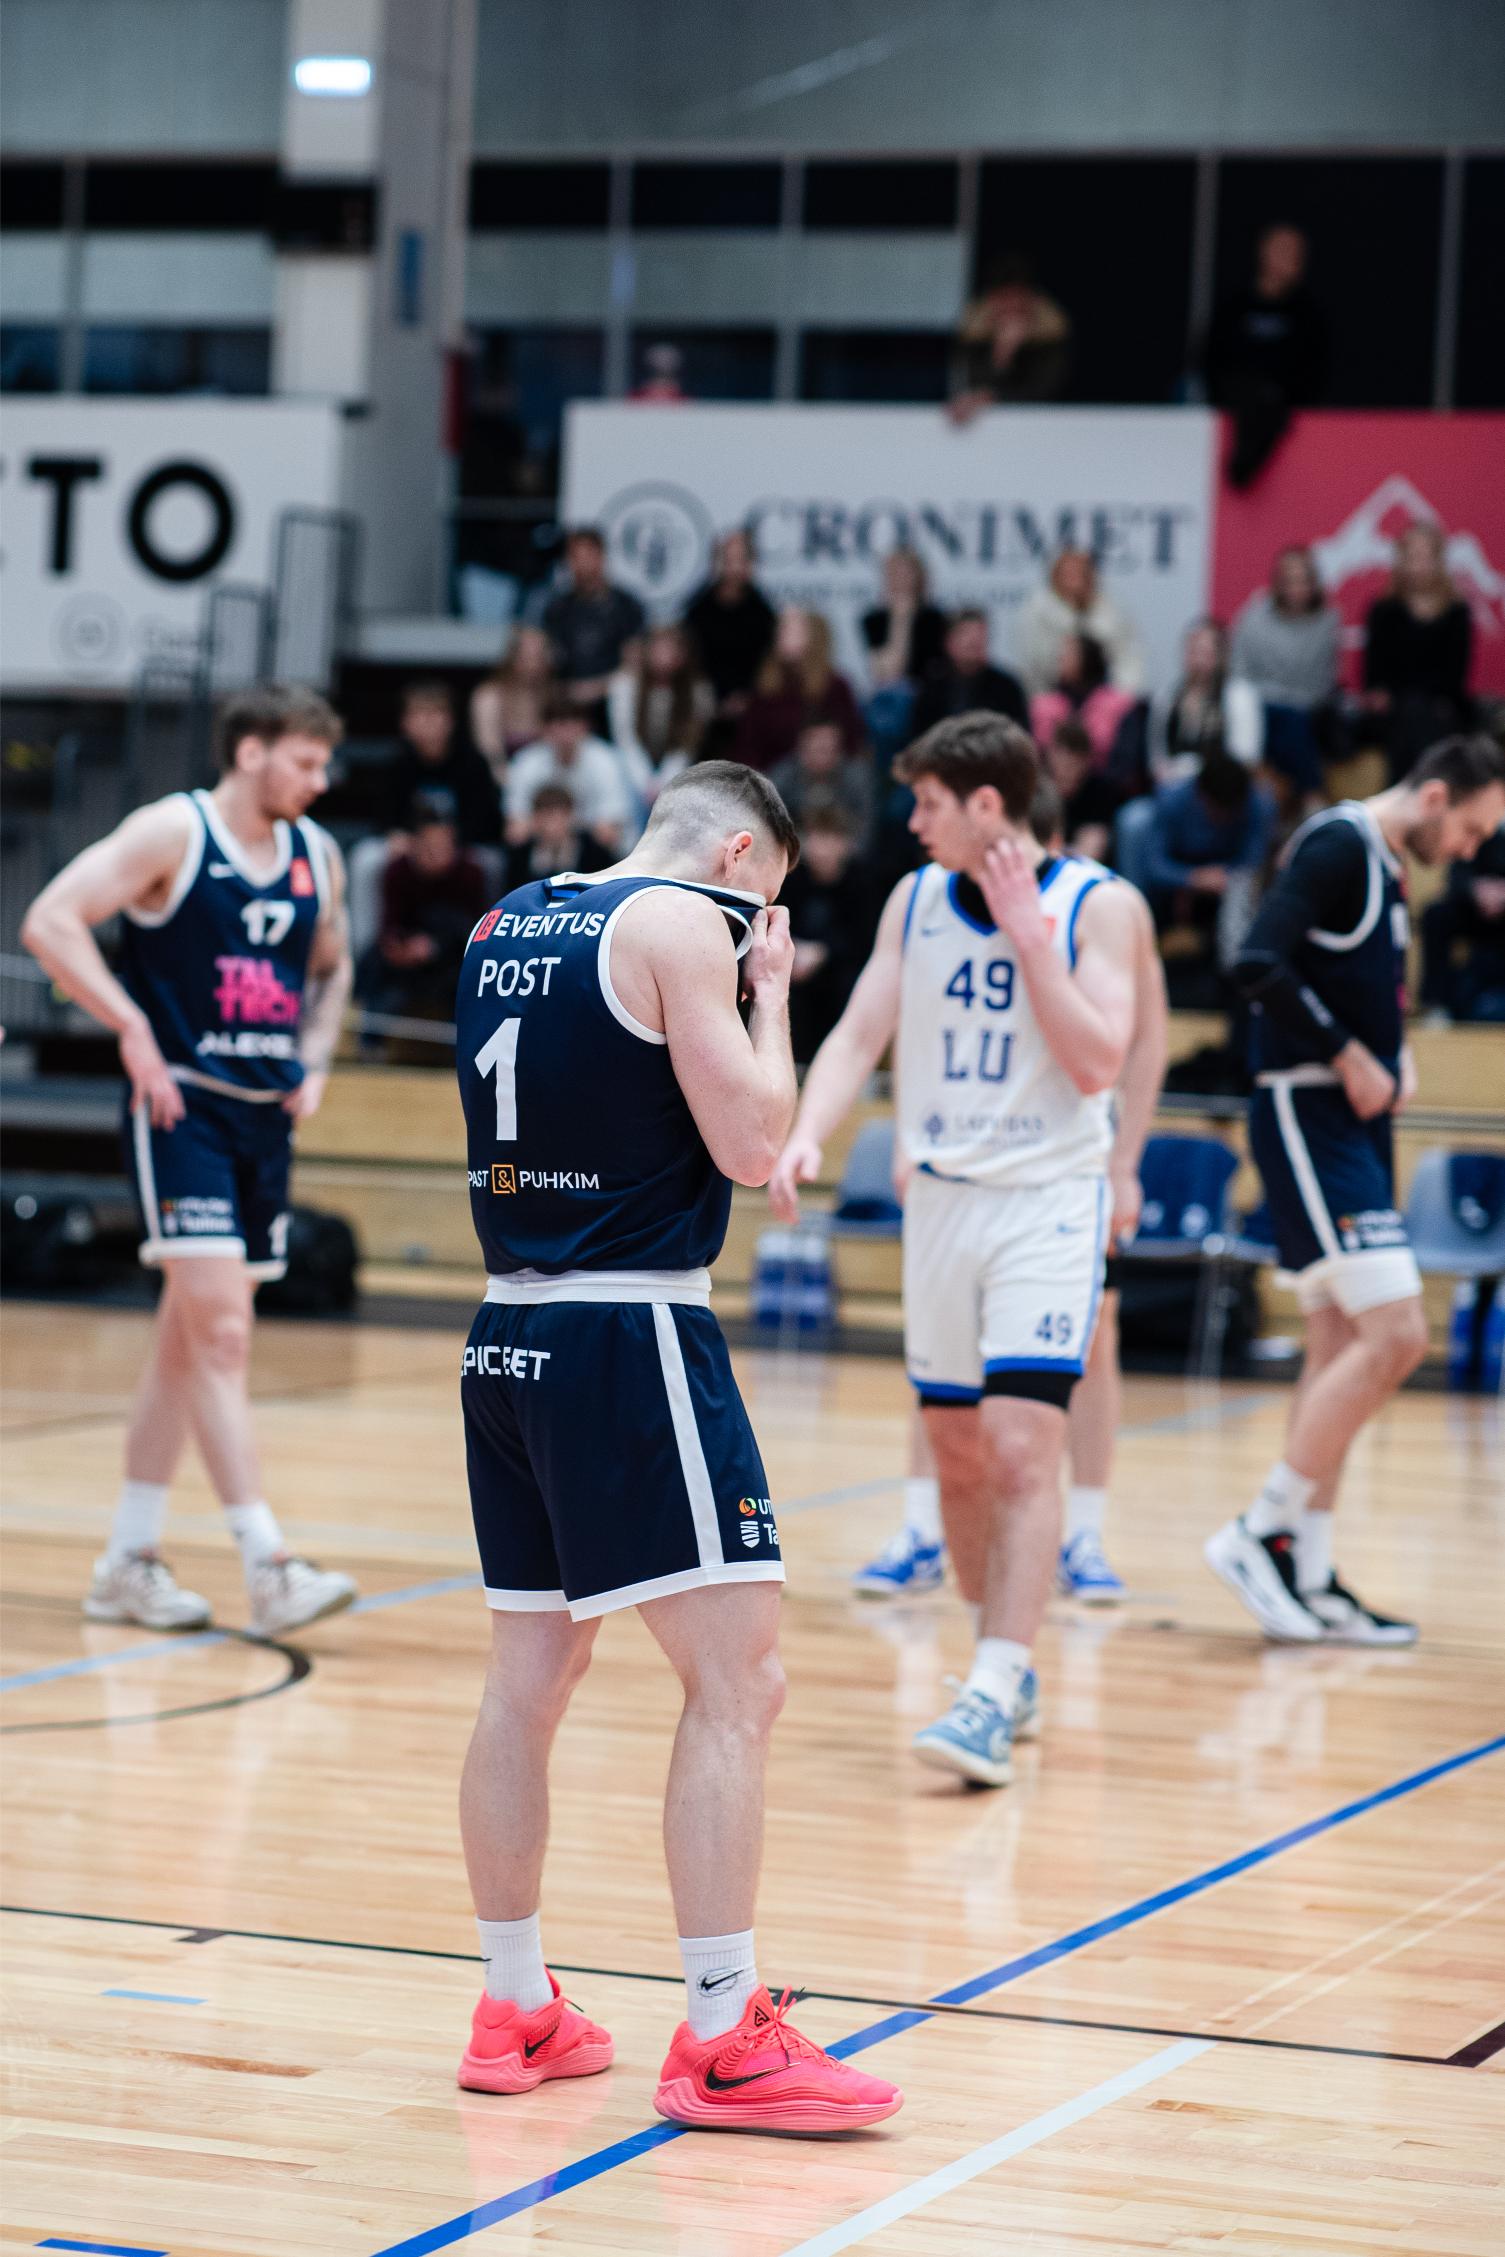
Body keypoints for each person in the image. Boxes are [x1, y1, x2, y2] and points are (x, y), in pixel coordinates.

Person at [450, 760, 903, 2132]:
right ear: (738, 854)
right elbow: (757, 1142)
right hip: (628, 1328)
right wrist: (770, 992)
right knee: (740, 1679)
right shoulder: (681, 925)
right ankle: (721, 2034)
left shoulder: (505, 919)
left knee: (527, 1678)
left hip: (505, 1332)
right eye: (766, 895)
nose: (761, 919)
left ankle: (513, 2003)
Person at [770, 714, 1138, 1788]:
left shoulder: (1097, 905)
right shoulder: (914, 899)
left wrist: (1031, 942)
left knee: (1022, 1447)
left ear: (986, 804)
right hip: (939, 1203)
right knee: (959, 1452)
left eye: (928, 802)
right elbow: (856, 1033)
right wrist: (805, 1130)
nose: (912, 821)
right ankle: (999, 1662)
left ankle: (991, 1679)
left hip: (1045, 1202)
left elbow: (1097, 1061)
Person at [20, 686, 360, 1636]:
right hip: (182, 1110)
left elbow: (333, 964)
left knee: (186, 1342)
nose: (320, 780)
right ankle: (269, 1562)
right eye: (304, 761)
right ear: (251, 752)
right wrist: (130, 1026)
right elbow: (51, 920)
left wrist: (317, 1056)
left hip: (263, 1122)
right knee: (222, 1336)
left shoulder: (316, 853)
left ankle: (126, 1562)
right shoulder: (175, 831)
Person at [1210, 734, 1505, 1643]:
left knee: (1337, 1344)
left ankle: (1309, 1568)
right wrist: (1347, 1054)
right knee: (1397, 1334)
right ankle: (1260, 1528)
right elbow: (1257, 961)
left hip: (1352, 1120)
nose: (1469, 849)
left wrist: (1392, 1051)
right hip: (1308, 1111)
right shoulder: (1337, 843)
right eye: (1470, 829)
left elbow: (1359, 984)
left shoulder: (1386, 862)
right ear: (1433, 797)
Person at [853, 780, 1168, 1607]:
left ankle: (1084, 1533)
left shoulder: (1099, 908)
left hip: (1066, 1166)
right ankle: (922, 1526)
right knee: (946, 1362)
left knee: (1093, 1335)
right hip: (967, 1163)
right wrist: (913, 1134)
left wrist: (1124, 1161)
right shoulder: (936, 905)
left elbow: (1143, 1045)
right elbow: (918, 1028)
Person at [1203, 223, 1327, 488]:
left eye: (1296, 252)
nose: (1290, 257)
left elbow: (1314, 368)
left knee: (1267, 400)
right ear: (1263, 252)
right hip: (1235, 394)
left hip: (1282, 400)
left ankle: (1246, 462)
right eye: (1282, 249)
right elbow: (1211, 357)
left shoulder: (1308, 313)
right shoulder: (1234, 306)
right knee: (1250, 392)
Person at [357, 796, 491, 1034]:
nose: (434, 855)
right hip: (405, 959)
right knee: (374, 966)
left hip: (454, 958)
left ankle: (465, 1041)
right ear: (414, 844)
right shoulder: (398, 871)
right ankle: (369, 1039)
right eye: (428, 847)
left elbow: (478, 930)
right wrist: (399, 947)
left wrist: (435, 946)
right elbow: (390, 924)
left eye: (442, 848)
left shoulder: (471, 873)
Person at [1141, 751, 1276, 982]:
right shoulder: (1172, 798)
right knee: (1134, 822)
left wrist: (1224, 876)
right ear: (1200, 794)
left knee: (1244, 885)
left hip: (1229, 880)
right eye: (1216, 811)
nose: (1222, 819)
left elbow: (1253, 862)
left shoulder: (1259, 803)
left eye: (1230, 813)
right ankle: (1143, 942)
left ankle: (1235, 973)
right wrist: (1192, 878)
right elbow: (1154, 865)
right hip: (1179, 875)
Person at [1361, 523, 1474, 780]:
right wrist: (1382, 694)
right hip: (1394, 709)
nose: (1419, 566)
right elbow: (1373, 672)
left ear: (1438, 561)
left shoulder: (1457, 611)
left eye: (1426, 557)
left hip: (1440, 705)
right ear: (1401, 561)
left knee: (1421, 713)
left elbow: (1455, 674)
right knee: (1409, 714)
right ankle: (1422, 787)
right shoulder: (1383, 609)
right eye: (1413, 557)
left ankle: (1407, 789)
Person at [1230, 546, 1341, 798]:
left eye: (1302, 581)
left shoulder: (1327, 622)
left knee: (1293, 723)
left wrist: (1285, 698)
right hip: (1259, 710)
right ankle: (1311, 793)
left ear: (1313, 583)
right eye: (1289, 581)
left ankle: (1277, 796)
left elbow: (1323, 682)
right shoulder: (1254, 617)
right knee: (1277, 722)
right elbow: (1239, 673)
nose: (1296, 589)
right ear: (1277, 583)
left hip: (1307, 712)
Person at [780, 806, 879, 1064]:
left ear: (845, 843)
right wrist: (792, 949)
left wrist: (823, 952)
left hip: (841, 972)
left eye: (829, 838)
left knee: (849, 986)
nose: (821, 848)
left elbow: (864, 939)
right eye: (815, 837)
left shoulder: (862, 881)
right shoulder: (792, 879)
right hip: (796, 966)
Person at [734, 606, 865, 774]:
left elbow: (850, 744)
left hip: (827, 779)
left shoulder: (836, 686)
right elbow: (746, 746)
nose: (782, 635)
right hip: (770, 778)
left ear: (814, 636)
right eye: (781, 629)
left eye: (792, 630)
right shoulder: (766, 687)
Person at [539, 526, 646, 721]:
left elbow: (633, 666)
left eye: (587, 555)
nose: (581, 563)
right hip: (565, 703)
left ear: (601, 556)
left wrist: (591, 690)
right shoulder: (557, 608)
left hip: (613, 703)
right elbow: (549, 660)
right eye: (574, 557)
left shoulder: (626, 606)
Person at [504, 693, 632, 853]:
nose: (566, 732)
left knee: (606, 834)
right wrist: (552, 826)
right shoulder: (527, 761)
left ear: (585, 726)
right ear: (544, 728)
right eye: (559, 724)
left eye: (573, 723)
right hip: (543, 840)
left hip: (589, 845)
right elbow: (516, 826)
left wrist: (565, 826)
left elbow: (611, 824)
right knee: (518, 834)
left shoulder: (605, 760)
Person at [949, 252, 1072, 418]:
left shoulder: (1051, 336)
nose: (1012, 306)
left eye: (1019, 296)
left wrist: (994, 397)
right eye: (1004, 298)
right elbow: (967, 385)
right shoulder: (974, 337)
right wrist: (1001, 354)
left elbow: (1047, 392)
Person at [379, 681, 502, 847]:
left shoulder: (473, 764)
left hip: (463, 846)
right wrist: (405, 838)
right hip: (411, 847)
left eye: (435, 713)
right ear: (404, 723)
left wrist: (448, 841)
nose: (428, 722)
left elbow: (484, 821)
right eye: (419, 714)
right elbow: (386, 820)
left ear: (452, 721)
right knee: (368, 854)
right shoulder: (396, 765)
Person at [1015, 548, 1144, 700]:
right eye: (1067, 573)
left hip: (1103, 696)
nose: (1073, 579)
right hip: (1049, 694)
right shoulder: (1038, 611)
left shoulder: (1110, 612)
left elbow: (1128, 661)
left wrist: (1118, 700)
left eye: (1079, 573)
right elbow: (1034, 663)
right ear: (1055, 576)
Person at [607, 622, 713, 805]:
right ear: (646, 651)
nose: (664, 656)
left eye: (671, 649)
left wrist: (664, 784)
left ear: (684, 654)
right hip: (632, 768)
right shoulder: (624, 684)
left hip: (678, 770)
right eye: (659, 648)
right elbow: (626, 739)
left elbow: (686, 745)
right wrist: (644, 783)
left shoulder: (698, 691)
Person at [683, 529, 777, 720]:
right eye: (727, 559)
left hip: (752, 707)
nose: (733, 567)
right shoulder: (697, 610)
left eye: (740, 559)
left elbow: (768, 666)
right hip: (703, 706)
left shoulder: (764, 615)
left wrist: (748, 697)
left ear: (751, 563)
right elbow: (690, 665)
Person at [1420, 822, 1505, 1023]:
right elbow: (1456, 878)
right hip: (1475, 909)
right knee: (1437, 914)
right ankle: (1437, 1004)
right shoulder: (1485, 827)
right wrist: (1476, 890)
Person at [909, 610, 1028, 740]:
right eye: (967, 636)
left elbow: (1019, 736)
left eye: (980, 636)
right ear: (949, 642)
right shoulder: (932, 687)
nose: (975, 640)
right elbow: (920, 739)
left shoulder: (1006, 687)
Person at [1029, 633, 1138, 768]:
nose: (1061, 658)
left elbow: (1125, 759)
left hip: (1104, 779)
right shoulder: (1042, 705)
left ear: (1088, 658)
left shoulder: (1119, 705)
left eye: (1069, 654)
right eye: (1061, 655)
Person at [470, 626, 557, 784]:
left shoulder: (555, 694)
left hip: (548, 782)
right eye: (527, 657)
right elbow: (490, 754)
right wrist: (515, 786)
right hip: (502, 780)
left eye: (539, 657)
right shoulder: (489, 696)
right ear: (512, 657)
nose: (534, 665)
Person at [770, 720, 874, 841]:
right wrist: (804, 844)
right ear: (802, 749)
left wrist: (844, 846)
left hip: (847, 846)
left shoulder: (857, 776)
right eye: (819, 749)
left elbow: (869, 826)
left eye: (831, 749)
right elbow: (770, 828)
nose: (825, 757)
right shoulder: (782, 777)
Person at [861, 548, 949, 689]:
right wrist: (900, 620)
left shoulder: (934, 619)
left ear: (919, 577)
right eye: (894, 573)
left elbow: (934, 668)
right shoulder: (874, 620)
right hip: (890, 693)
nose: (900, 579)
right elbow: (885, 672)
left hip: (928, 691)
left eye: (906, 573)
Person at [502, 782, 610, 893]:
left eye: (556, 819)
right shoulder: (519, 857)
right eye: (544, 819)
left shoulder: (595, 855)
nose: (550, 828)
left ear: (570, 817)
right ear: (534, 819)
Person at [1041, 719, 1121, 865]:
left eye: (1073, 763)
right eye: (1062, 758)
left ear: (1086, 761)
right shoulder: (1038, 788)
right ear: (1050, 754)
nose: (1066, 769)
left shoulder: (1099, 791)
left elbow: (1093, 847)